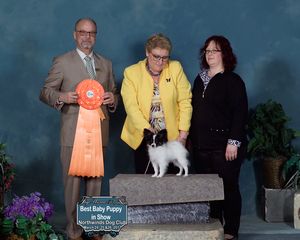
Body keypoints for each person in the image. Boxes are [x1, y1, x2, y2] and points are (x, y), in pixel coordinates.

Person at [39, 18, 117, 240]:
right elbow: (45, 92)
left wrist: (113, 99)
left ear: (96, 36)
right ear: (75, 35)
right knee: (72, 184)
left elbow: (114, 92)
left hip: (98, 132)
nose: (87, 37)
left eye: (91, 33)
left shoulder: (107, 64)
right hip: (72, 133)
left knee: (95, 183)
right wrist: (62, 96)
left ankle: (93, 228)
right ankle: (74, 231)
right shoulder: (62, 61)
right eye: (82, 32)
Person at [190, 35, 248, 240]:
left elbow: (240, 114)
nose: (210, 54)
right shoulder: (199, 79)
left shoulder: (233, 81)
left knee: (229, 187)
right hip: (201, 145)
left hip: (225, 146)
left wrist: (233, 142)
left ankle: (231, 230)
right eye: (207, 51)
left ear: (225, 54)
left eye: (215, 50)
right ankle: (215, 227)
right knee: (208, 189)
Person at [121, 33, 192, 174]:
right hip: (144, 137)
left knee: (174, 181)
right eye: (156, 56)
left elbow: (185, 101)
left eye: (165, 57)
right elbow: (131, 107)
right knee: (147, 180)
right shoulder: (131, 73)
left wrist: (183, 135)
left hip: (172, 138)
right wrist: (148, 131)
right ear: (147, 52)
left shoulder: (175, 68)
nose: (160, 61)